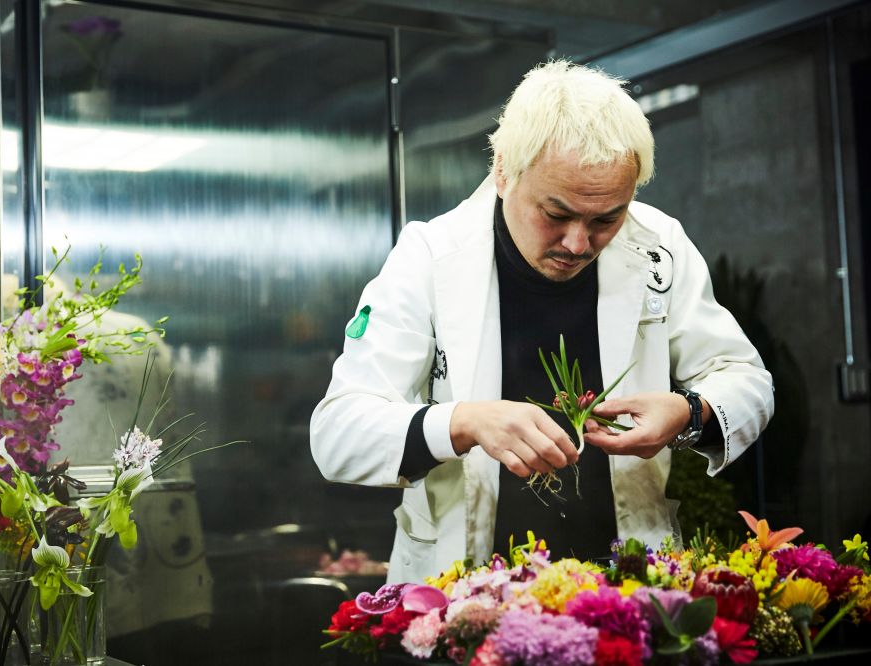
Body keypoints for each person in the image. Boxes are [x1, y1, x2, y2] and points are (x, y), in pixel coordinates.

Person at [310, 60, 774, 584]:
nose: (579, 244)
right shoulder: (430, 257)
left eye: (606, 219)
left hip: (627, 583)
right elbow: (338, 433)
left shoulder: (658, 246)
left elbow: (747, 381)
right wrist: (463, 423)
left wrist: (689, 412)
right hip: (467, 589)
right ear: (503, 171)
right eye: (556, 214)